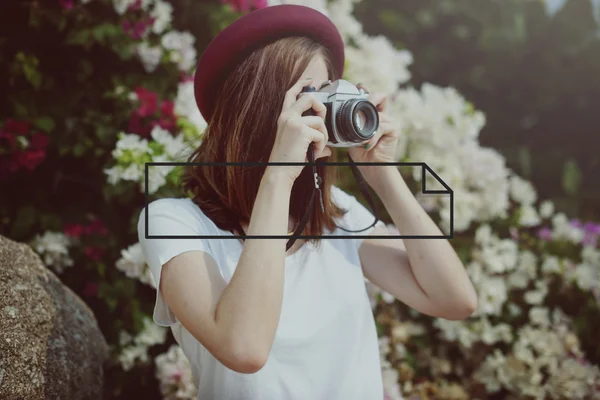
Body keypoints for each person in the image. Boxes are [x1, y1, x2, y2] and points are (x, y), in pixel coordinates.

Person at [137, 5, 477, 400]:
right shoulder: (173, 222)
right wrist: (278, 174)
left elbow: (454, 300)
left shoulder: (336, 214)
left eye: (328, 92)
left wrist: (383, 175)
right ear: (254, 106)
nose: (321, 110)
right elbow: (244, 349)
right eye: (307, 96)